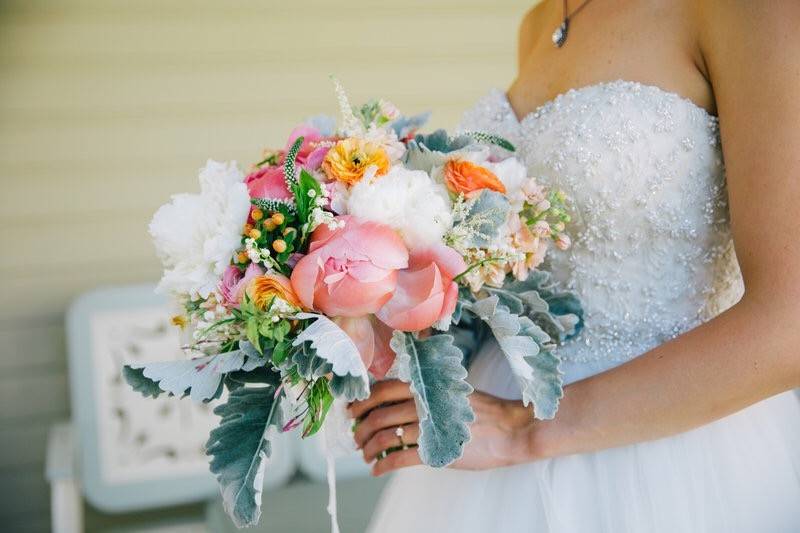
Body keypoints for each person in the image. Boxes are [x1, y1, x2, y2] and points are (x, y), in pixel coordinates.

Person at [354, 1, 800, 531]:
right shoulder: (540, 22)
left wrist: (525, 429)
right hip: (494, 424)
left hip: (673, 457)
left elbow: (789, 322)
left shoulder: (750, 11)